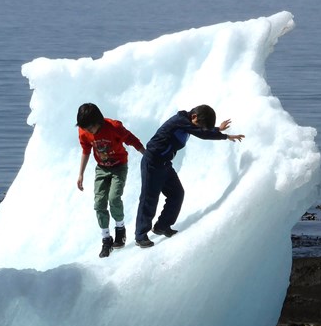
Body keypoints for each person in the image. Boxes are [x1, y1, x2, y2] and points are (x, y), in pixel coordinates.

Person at [134, 105, 244, 248]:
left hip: (165, 164)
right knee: (149, 198)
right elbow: (202, 133)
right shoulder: (180, 120)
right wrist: (225, 136)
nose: (200, 128)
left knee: (177, 194)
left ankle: (162, 226)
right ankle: (140, 236)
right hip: (153, 163)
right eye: (200, 124)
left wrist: (217, 129)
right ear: (194, 117)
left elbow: (199, 129)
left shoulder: (188, 123)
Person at [76, 103, 146, 258]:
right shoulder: (83, 131)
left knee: (114, 198)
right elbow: (86, 150)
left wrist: (145, 153)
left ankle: (120, 229)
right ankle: (106, 239)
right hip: (101, 168)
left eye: (90, 128)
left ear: (98, 122)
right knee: (99, 203)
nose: (88, 131)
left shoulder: (113, 127)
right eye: (85, 128)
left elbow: (131, 139)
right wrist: (81, 174)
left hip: (119, 167)